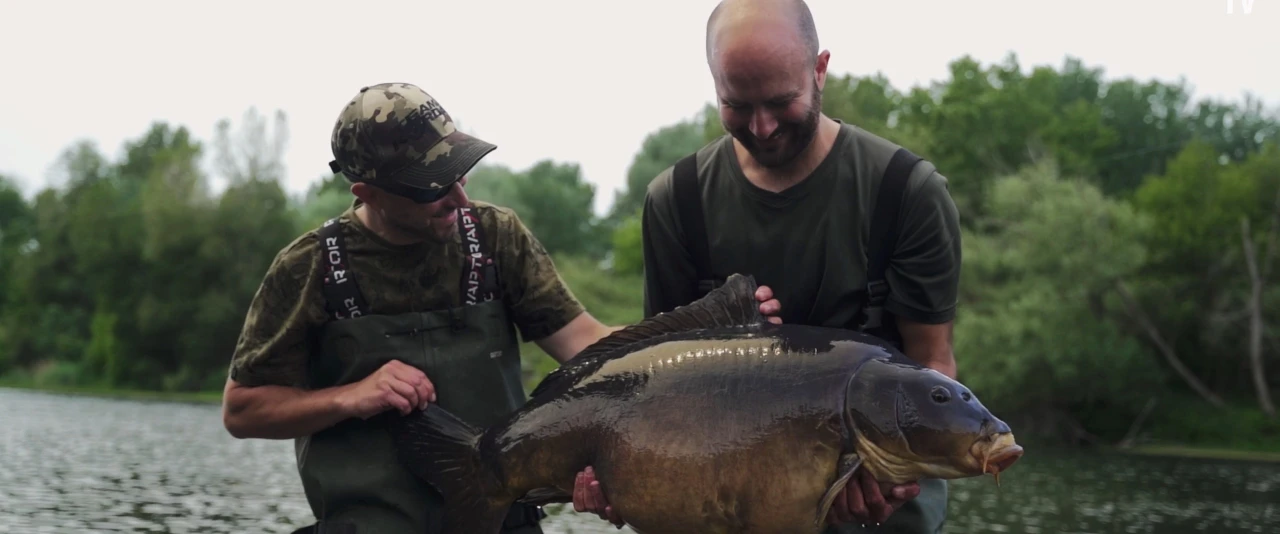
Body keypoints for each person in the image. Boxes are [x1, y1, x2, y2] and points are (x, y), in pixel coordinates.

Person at [218, 81, 783, 533]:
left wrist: (712, 342)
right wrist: (352, 397)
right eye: (431, 186)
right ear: (366, 193)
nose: (459, 197)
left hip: (502, 519)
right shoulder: (308, 266)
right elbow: (242, 411)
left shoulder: (494, 236)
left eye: (458, 171)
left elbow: (587, 344)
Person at [577, 0, 964, 532]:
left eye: (781, 102)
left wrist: (883, 483)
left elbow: (932, 362)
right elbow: (657, 383)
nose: (760, 127)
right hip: (728, 504)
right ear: (715, 86)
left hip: (877, 504)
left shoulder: (907, 192)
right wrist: (624, 478)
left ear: (820, 69)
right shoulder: (676, 199)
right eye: (737, 105)